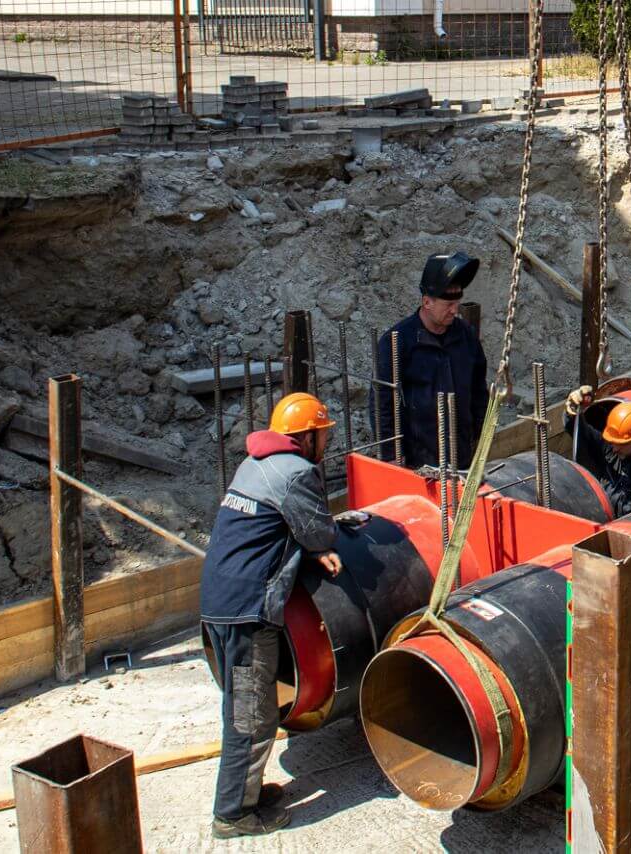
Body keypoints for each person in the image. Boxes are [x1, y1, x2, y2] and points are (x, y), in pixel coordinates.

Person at [199, 392, 343, 838]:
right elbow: (319, 530)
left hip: (217, 602)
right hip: (247, 610)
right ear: (305, 437)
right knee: (252, 715)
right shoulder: (296, 472)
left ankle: (247, 790)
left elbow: (275, 525)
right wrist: (320, 549)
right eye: (323, 434)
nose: (327, 443)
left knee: (243, 707)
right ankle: (232, 815)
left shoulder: (253, 465)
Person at [375, 252, 489, 470]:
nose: (455, 310)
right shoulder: (398, 341)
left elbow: (479, 392)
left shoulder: (465, 335)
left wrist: (481, 441)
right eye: (448, 304)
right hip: (418, 462)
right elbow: (382, 402)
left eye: (457, 302)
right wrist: (390, 455)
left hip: (461, 456)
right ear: (427, 302)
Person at [564, 386, 631, 517]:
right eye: (613, 442)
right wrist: (573, 412)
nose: (615, 448)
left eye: (621, 444)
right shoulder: (610, 450)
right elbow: (579, 432)